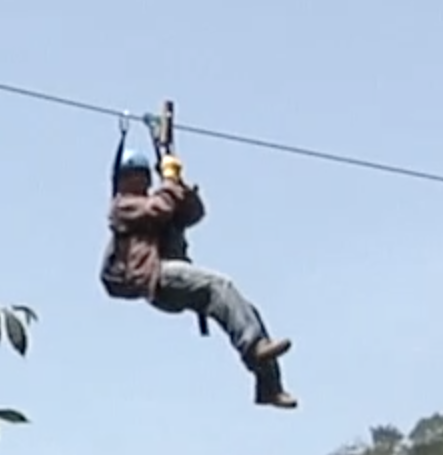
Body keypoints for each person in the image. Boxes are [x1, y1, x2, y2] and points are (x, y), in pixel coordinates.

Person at [99, 145, 297, 408]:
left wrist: (178, 181)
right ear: (122, 180)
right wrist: (169, 182)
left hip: (173, 275)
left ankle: (269, 386)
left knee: (244, 309)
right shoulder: (123, 206)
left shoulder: (156, 199)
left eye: (142, 175)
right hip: (156, 276)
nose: (139, 179)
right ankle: (254, 347)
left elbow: (193, 213)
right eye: (132, 175)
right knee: (220, 285)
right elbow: (160, 208)